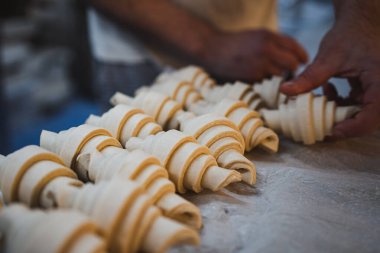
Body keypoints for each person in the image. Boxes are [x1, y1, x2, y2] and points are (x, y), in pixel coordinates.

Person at [87, 0, 380, 139]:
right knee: (129, 145)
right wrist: (207, 44)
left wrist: (363, 19)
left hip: (257, 44)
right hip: (141, 49)